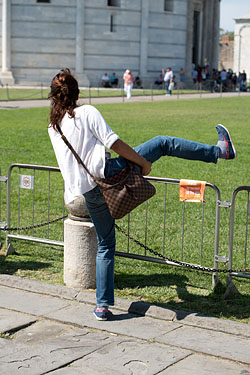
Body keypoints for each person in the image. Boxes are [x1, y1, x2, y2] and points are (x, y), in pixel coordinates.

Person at [48, 69, 237, 321]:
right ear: (76, 92)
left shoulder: (53, 127)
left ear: (54, 96)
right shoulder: (87, 112)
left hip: (87, 191)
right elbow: (114, 142)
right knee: (163, 143)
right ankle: (220, 151)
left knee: (106, 245)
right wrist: (141, 163)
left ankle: (103, 307)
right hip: (108, 174)